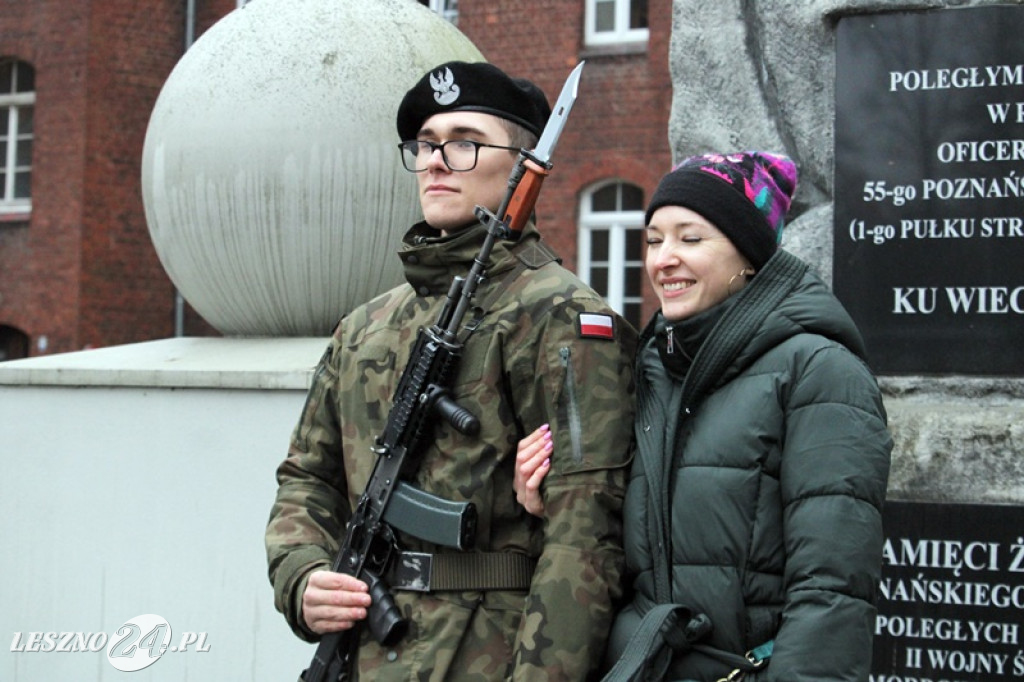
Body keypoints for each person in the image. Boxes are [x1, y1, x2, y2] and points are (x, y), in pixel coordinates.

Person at [265, 61, 637, 681]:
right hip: (366, 651)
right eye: (426, 144)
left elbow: (586, 536)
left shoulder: (560, 318)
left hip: (489, 655)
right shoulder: (364, 327)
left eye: (465, 143)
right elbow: (308, 477)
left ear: (521, 168)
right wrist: (302, 575)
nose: (435, 161)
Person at [516, 151, 892, 681]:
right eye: (653, 241)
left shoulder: (820, 372)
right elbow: (623, 556)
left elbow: (831, 593)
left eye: (690, 239)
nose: (663, 259)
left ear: (748, 254)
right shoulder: (652, 367)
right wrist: (551, 501)